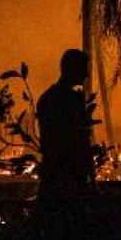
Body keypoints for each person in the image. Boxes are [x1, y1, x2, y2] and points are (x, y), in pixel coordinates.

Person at [36, 48, 95, 204]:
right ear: (73, 69)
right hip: (65, 178)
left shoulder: (50, 97)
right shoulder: (67, 100)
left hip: (58, 176)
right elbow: (75, 140)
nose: (86, 75)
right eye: (84, 69)